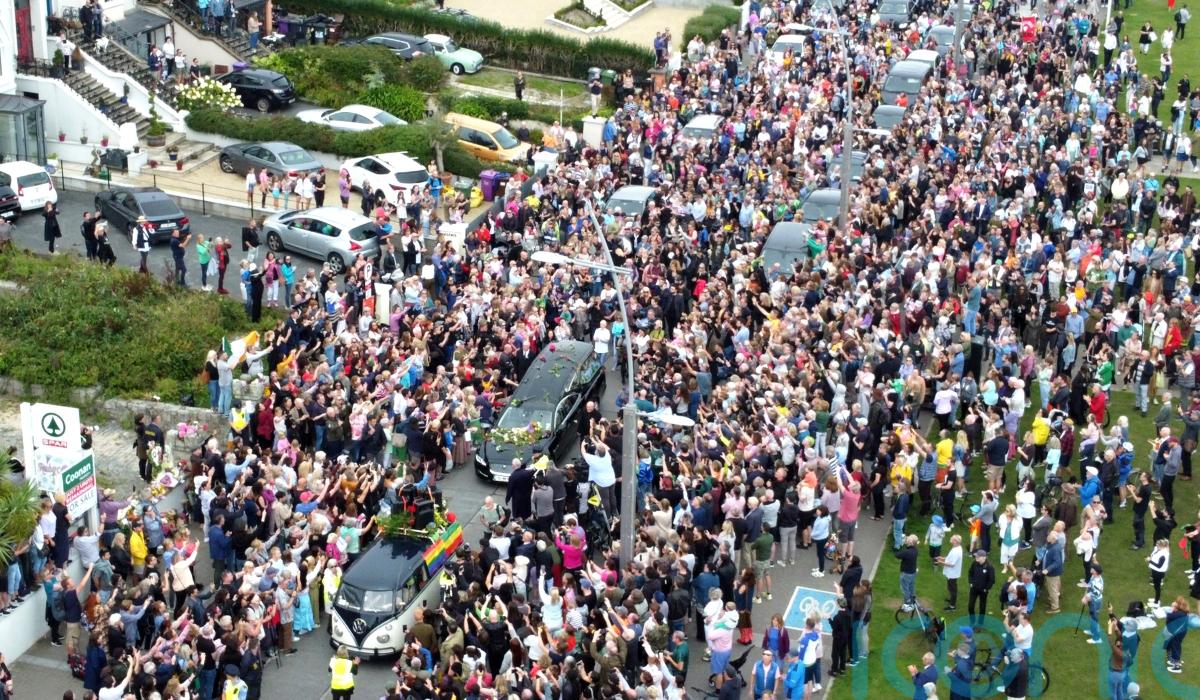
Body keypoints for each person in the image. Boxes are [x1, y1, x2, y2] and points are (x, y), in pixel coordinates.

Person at [967, 549, 994, 629]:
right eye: (976, 556)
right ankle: (972, 621)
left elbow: (992, 580)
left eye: (978, 557)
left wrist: (986, 588)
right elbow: (970, 573)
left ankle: (980, 623)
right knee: (970, 606)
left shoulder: (989, 567)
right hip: (974, 588)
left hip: (983, 591)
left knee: (982, 607)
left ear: (984, 557)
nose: (976, 558)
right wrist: (971, 582)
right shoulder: (974, 563)